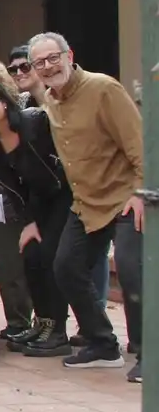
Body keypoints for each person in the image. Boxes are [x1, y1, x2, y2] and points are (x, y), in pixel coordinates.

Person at [29, 32, 143, 378]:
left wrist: (141, 193)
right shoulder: (51, 101)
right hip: (86, 202)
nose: (48, 67)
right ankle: (102, 343)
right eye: (40, 63)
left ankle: (149, 353)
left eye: (53, 58)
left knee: (133, 272)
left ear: (69, 55)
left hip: (125, 198)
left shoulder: (103, 89)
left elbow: (139, 143)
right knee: (65, 267)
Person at [0, 81, 72, 356]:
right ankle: (43, 322)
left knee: (49, 256)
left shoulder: (35, 123)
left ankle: (58, 331)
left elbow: (59, 168)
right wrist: (28, 222)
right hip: (34, 206)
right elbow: (15, 190)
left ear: (4, 101)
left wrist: (36, 220)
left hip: (64, 196)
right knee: (31, 255)